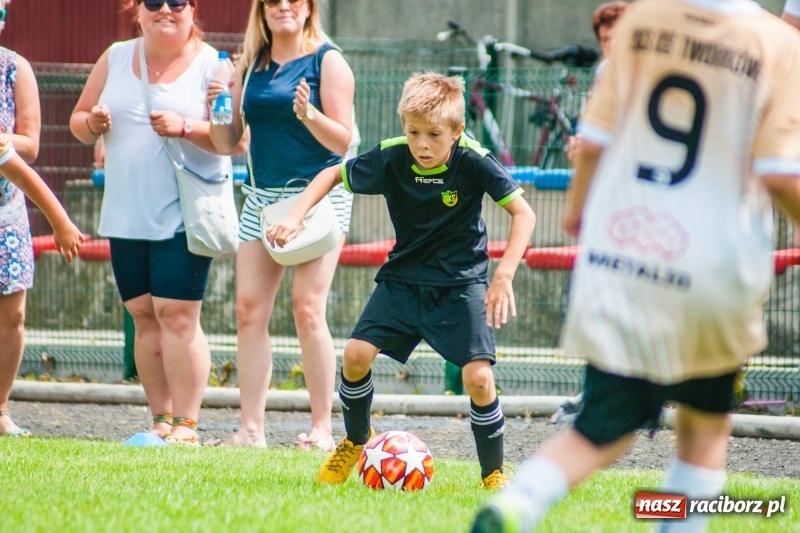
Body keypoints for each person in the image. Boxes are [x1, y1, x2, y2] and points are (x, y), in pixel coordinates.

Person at [471, 0, 800, 531]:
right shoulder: (779, 44)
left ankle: (518, 502)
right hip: (713, 269)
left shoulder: (643, 20)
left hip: (625, 255)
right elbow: (781, 173)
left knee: (600, 425)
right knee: (704, 433)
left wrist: (577, 212)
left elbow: (595, 141)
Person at [266, 72, 536, 488]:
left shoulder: (473, 160)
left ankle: (493, 474)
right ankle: (357, 441)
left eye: (433, 134)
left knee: (478, 378)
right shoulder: (393, 156)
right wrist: (294, 215)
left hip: (461, 284)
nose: (422, 145)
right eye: (413, 132)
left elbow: (524, 213)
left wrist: (504, 274)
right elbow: (331, 174)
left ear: (457, 131)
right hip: (404, 278)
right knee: (355, 355)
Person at [69, 0, 239, 445]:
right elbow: (77, 122)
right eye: (153, 1)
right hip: (126, 209)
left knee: (178, 315)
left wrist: (186, 126)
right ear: (137, 11)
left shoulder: (214, 66)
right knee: (144, 316)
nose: (166, 9)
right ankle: (160, 419)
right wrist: (93, 121)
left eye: (177, 1)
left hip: (184, 211)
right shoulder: (116, 56)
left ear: (193, 10)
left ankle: (187, 423)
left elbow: (233, 140)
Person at [206, 0, 355, 450]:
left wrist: (309, 114)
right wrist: (216, 103)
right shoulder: (251, 63)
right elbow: (226, 141)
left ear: (309, 8)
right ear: (262, 10)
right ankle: (250, 430)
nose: (283, 6)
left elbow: (344, 141)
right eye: (272, 0)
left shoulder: (328, 60)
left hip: (319, 197)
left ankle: (322, 429)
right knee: (248, 311)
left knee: (307, 309)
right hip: (261, 199)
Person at [0, 0, 85, 437]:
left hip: (5, 213)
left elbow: (20, 161)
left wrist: (62, 222)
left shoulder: (14, 69)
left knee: (11, 315)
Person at [567, 1, 630, 161]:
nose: (612, 46)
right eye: (605, 40)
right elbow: (594, 120)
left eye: (618, 38)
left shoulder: (644, 72)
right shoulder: (604, 70)